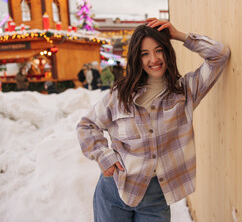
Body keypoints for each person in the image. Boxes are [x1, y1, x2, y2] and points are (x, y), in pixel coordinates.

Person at [76, 18, 230, 222]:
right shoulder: (119, 95)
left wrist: (178, 35)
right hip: (115, 191)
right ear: (136, 58)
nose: (154, 59)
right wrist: (105, 158)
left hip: (156, 199)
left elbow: (220, 55)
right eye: (145, 54)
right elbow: (87, 125)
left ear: (167, 51)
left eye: (159, 50)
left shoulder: (186, 91)